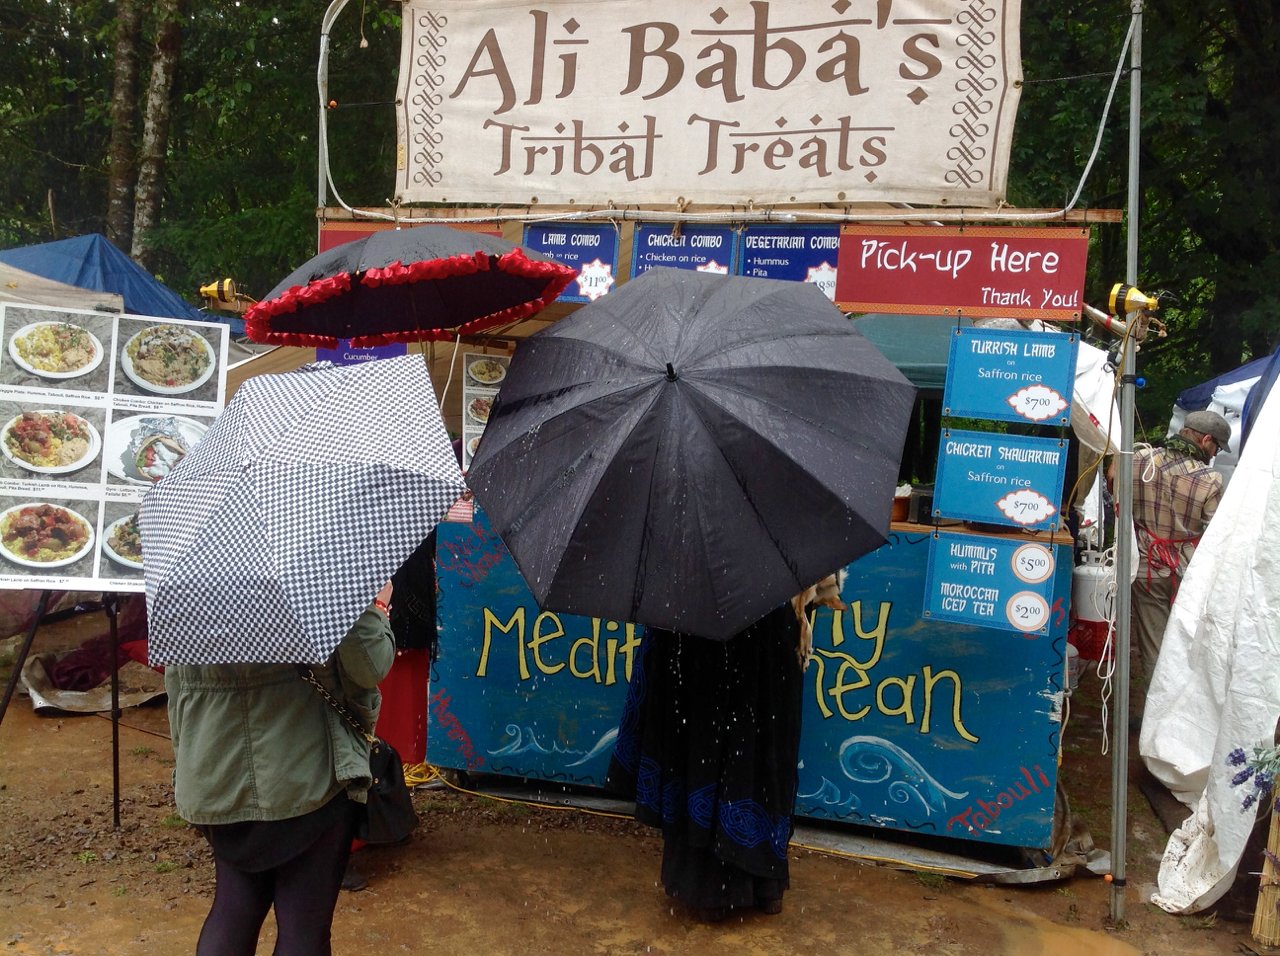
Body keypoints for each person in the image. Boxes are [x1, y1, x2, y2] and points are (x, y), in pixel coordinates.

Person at [165, 584, 395, 955]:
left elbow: (178, 687)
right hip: (308, 772)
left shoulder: (190, 575)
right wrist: (377, 606)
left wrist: (189, 766)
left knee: (234, 909)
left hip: (214, 771)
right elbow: (369, 665)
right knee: (303, 928)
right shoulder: (325, 565)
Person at [606, 574, 843, 923]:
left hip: (703, 610)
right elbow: (816, 563)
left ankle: (711, 887)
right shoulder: (790, 542)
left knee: (708, 732)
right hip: (763, 613)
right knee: (755, 737)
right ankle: (758, 881)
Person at [1129, 409, 1229, 693]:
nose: (1214, 453)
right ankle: (1181, 704)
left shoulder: (1139, 459)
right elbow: (1215, 532)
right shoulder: (1211, 479)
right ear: (1206, 439)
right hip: (1188, 573)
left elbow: (1116, 489)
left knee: (1153, 645)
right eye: (1216, 447)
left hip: (1146, 567)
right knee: (1188, 642)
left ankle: (1156, 707)